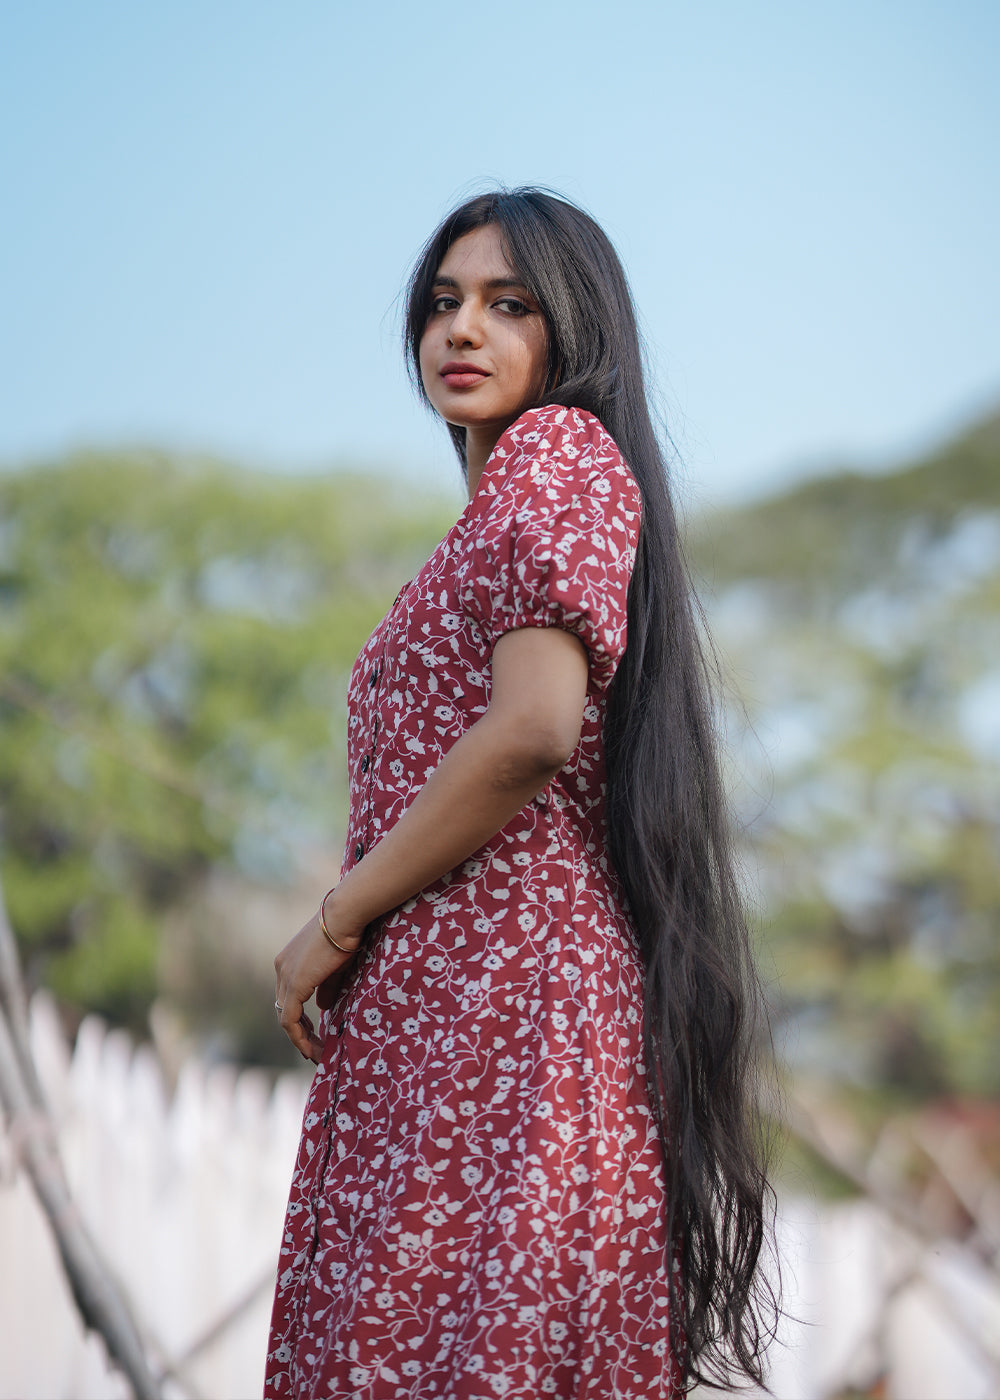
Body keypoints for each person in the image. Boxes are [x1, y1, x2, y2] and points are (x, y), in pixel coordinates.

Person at [266, 188, 776, 1399]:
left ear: (574, 331)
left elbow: (532, 733)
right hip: (450, 1017)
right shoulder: (491, 516)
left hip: (503, 1008)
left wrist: (332, 923)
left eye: (508, 305)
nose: (462, 329)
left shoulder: (557, 451)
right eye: (443, 303)